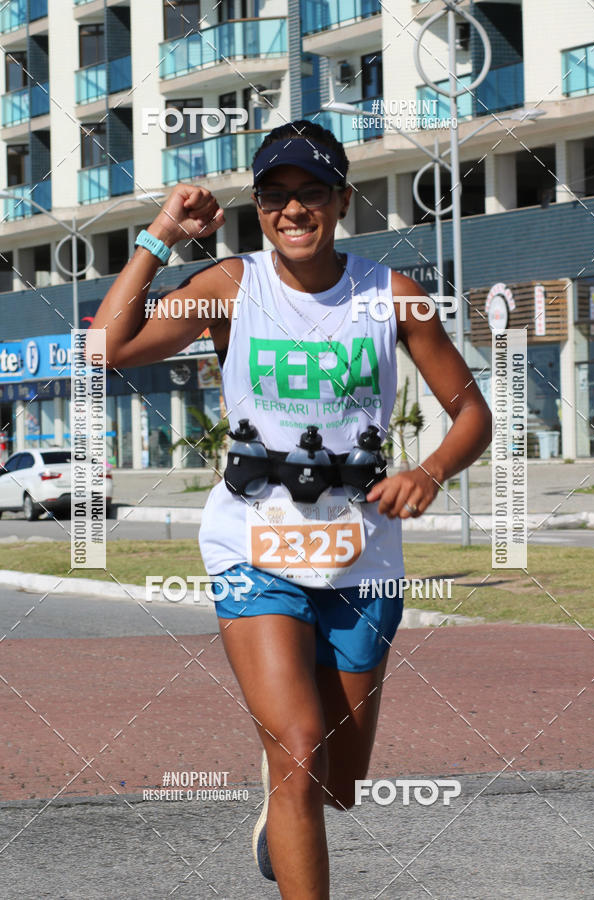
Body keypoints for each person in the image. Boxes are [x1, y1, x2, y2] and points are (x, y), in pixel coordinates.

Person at [91, 120, 492, 898]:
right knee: (301, 753)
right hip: (253, 546)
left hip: (360, 558)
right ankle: (288, 793)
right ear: (260, 208)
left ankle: (285, 817)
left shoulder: (391, 296)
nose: (293, 210)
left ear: (342, 199)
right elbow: (108, 346)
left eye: (311, 193)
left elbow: (472, 411)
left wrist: (433, 470)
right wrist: (161, 233)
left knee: (337, 784)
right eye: (275, 197)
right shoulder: (233, 288)